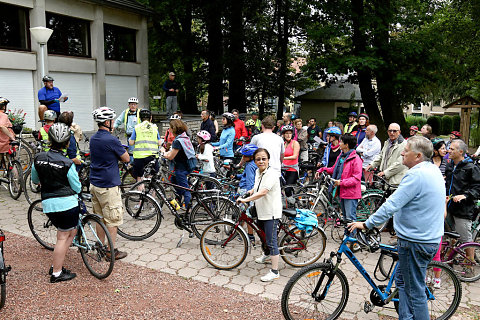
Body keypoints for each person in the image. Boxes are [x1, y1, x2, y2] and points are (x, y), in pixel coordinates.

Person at [349, 136, 446, 320]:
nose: (402, 152)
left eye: (406, 150)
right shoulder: (432, 169)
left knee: (415, 292)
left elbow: (391, 204)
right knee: (402, 282)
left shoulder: (416, 175)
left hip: (415, 242)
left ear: (417, 156)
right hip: (428, 238)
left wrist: (367, 223)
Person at [31, 123, 81, 283]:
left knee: (69, 233)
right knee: (63, 236)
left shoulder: (38, 158)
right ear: (67, 143)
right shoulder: (67, 163)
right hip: (67, 205)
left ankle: (57, 265)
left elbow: (34, 179)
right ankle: (57, 272)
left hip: (48, 205)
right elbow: (77, 186)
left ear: (50, 140)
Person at [90, 107, 130, 260]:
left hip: (95, 183)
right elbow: (126, 158)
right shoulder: (111, 139)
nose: (113, 123)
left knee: (99, 218)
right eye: (112, 121)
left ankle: (100, 249)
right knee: (112, 220)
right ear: (107, 122)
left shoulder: (94, 138)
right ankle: (110, 252)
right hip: (108, 185)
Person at [237, 148, 282, 282]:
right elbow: (257, 188)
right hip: (261, 210)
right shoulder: (258, 171)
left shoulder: (272, 174)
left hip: (271, 212)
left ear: (268, 160)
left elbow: (263, 192)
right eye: (258, 159)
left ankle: (275, 271)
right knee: (263, 236)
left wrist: (245, 200)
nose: (261, 161)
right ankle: (267, 254)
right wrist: (249, 192)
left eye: (264, 158)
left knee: (271, 241)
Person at [317, 134, 362, 240]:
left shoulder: (356, 159)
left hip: (350, 193)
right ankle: (348, 236)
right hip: (342, 192)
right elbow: (333, 169)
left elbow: (356, 178)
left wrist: (341, 182)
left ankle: (353, 240)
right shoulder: (342, 156)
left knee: (350, 218)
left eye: (341, 142)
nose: (339, 143)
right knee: (346, 218)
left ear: (346, 145)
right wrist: (322, 169)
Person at [445, 139, 480, 271]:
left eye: (452, 149)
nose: (449, 151)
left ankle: (469, 266)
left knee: (466, 238)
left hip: (463, 209)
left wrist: (465, 196)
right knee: (449, 235)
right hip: (448, 207)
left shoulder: (471, 168)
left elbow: (477, 187)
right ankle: (447, 261)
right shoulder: (449, 166)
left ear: (461, 152)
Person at [163, 119, 196, 209]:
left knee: (185, 189)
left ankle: (189, 210)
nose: (170, 130)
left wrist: (164, 154)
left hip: (181, 168)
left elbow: (171, 156)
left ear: (174, 129)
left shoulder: (178, 141)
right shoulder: (184, 137)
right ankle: (179, 202)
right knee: (174, 181)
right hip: (186, 166)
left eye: (170, 128)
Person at [129, 109, 161, 187]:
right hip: (152, 156)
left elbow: (131, 142)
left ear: (140, 118)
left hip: (139, 156)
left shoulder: (137, 127)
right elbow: (159, 142)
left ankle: (141, 197)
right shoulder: (154, 127)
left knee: (139, 177)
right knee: (152, 178)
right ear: (151, 118)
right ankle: (152, 197)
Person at [113, 97, 141, 161]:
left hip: (139, 136)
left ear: (137, 105)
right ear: (128, 105)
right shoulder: (125, 112)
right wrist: (113, 127)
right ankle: (132, 166)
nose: (133, 106)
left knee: (138, 152)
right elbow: (118, 120)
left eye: (134, 104)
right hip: (130, 136)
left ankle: (135, 165)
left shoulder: (140, 112)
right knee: (131, 152)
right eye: (131, 104)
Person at [281, 125, 300, 198]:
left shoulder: (295, 143)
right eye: (286, 133)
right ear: (283, 135)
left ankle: (293, 203)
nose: (288, 135)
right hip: (284, 169)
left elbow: (295, 156)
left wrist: (283, 158)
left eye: (290, 133)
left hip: (292, 169)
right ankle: (289, 203)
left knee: (288, 189)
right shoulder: (284, 144)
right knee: (283, 188)